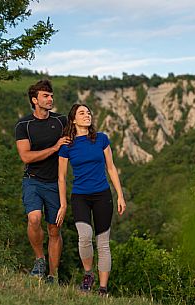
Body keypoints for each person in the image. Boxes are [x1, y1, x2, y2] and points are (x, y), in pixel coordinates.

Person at [58, 103, 126, 297]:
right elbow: (61, 177)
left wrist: (120, 195)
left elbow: (111, 168)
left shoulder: (101, 139)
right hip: (80, 196)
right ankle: (88, 274)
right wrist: (63, 204)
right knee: (85, 237)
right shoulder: (67, 146)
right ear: (73, 119)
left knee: (103, 243)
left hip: (102, 195)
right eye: (82, 113)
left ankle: (103, 289)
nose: (87, 115)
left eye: (88, 112)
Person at [14, 79, 70, 283]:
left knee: (54, 229)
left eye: (51, 95)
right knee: (34, 219)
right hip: (33, 180)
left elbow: (78, 138)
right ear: (34, 100)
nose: (50, 99)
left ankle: (53, 275)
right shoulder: (23, 125)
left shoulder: (61, 120)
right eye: (45, 96)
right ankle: (39, 260)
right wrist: (55, 148)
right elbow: (26, 157)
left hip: (56, 183)